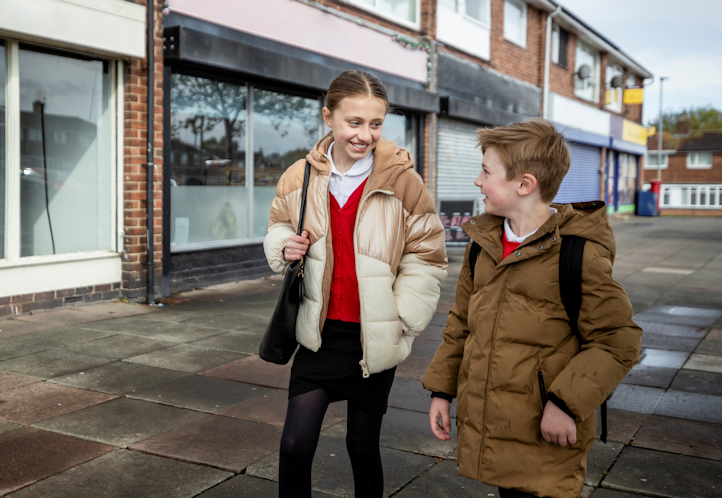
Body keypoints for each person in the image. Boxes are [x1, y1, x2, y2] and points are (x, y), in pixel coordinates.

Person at [422, 119, 642, 498]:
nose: (477, 181)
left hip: (547, 434)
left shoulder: (578, 255)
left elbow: (618, 340)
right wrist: (441, 391)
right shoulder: (482, 246)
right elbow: (461, 324)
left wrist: (565, 403)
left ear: (524, 184)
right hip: (499, 431)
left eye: (486, 172)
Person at [264, 70, 448, 498]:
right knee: (294, 445)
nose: (365, 135)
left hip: (372, 337)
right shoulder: (299, 176)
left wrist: (403, 317)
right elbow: (277, 224)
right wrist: (283, 245)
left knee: (362, 445)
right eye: (354, 122)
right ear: (328, 116)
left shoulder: (404, 181)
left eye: (376, 123)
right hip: (319, 334)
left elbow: (427, 254)